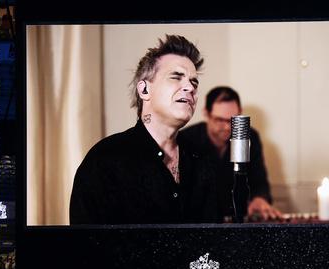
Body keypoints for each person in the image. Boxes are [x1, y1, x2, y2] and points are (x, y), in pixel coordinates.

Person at [70, 35, 219, 224]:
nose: (190, 87)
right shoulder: (105, 159)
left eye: (194, 82)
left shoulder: (202, 161)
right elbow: (85, 248)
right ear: (144, 90)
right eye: (176, 77)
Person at [179, 86, 281, 221]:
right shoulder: (186, 139)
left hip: (238, 221)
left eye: (233, 120)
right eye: (220, 120)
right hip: (199, 224)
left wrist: (259, 198)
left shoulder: (250, 136)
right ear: (206, 113)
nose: (227, 127)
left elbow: (259, 180)